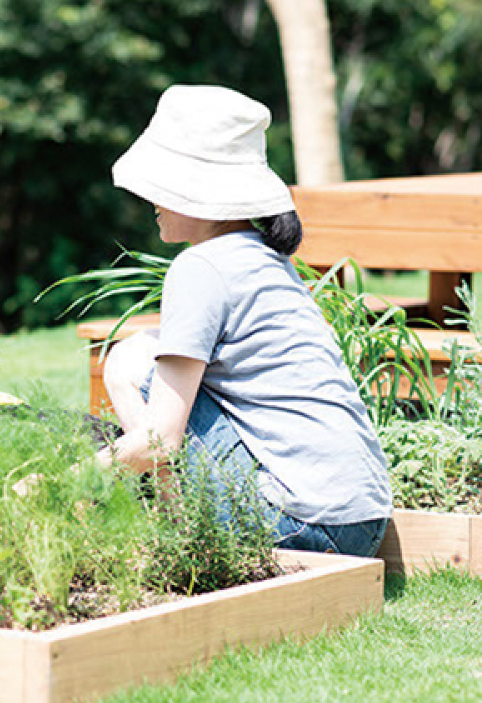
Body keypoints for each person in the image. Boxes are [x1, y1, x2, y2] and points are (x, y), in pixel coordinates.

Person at [98, 84, 392, 557]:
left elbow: (160, 441)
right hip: (365, 520)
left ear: (195, 188)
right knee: (141, 350)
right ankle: (181, 528)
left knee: (129, 362)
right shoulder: (266, 259)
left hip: (302, 525)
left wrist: (62, 481)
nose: (150, 198)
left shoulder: (200, 267)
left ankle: (181, 539)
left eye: (162, 183)